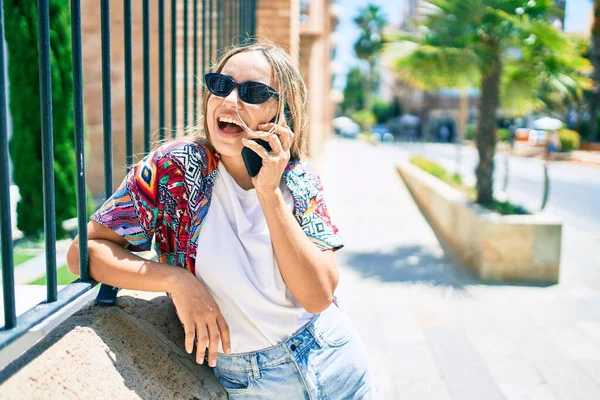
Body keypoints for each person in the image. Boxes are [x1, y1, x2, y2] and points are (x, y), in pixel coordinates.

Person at [66, 42, 379, 399]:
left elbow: (318, 296)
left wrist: (269, 194)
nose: (230, 100)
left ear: (282, 113)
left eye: (252, 92)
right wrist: (176, 280)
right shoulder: (176, 171)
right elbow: (83, 252)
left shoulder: (298, 179)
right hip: (251, 383)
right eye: (220, 85)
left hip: (337, 362)